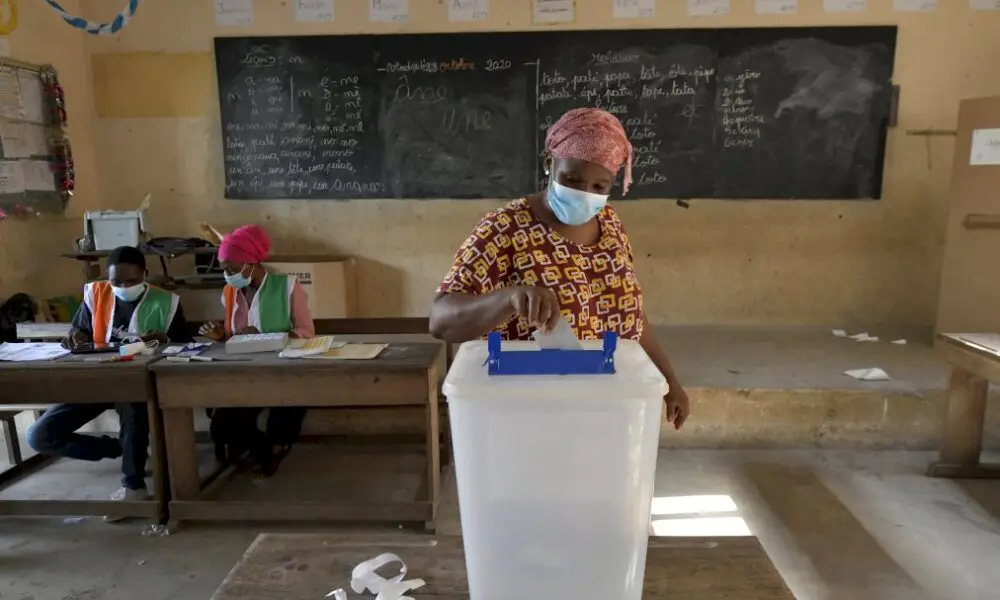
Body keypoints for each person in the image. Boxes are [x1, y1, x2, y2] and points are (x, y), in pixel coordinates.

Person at [429, 107, 690, 429]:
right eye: (572, 179)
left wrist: (668, 381)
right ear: (549, 163)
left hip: (605, 402)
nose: (584, 193)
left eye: (599, 186)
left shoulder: (610, 225)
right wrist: (508, 298)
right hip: (527, 407)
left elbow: (629, 313)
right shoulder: (505, 227)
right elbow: (440, 321)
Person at [26, 245, 191, 519]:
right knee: (40, 436)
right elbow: (78, 331)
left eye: (131, 281)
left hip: (138, 382)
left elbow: (184, 345)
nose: (123, 287)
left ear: (145, 274)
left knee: (133, 409)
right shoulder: (96, 294)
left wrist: (164, 339)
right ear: (107, 277)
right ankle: (123, 450)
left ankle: (133, 486)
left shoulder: (167, 301)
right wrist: (75, 337)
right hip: (96, 379)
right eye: (116, 281)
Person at [198, 224, 315, 476]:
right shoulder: (229, 292)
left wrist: (265, 338)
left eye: (231, 267)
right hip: (242, 374)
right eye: (223, 269)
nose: (227, 274)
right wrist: (221, 337)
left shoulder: (288, 286)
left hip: (283, 372)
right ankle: (266, 449)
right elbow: (235, 338)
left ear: (250, 263)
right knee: (221, 428)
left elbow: (306, 332)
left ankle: (273, 448)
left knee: (290, 403)